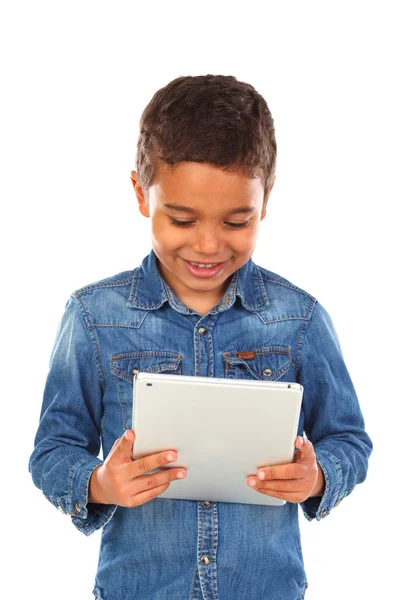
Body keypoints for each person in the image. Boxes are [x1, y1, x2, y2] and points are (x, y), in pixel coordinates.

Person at [29, 74, 372, 600]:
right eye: (182, 219)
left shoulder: (298, 318)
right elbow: (54, 449)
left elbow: (349, 439)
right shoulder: (94, 317)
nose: (208, 246)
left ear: (265, 200)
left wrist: (319, 476)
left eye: (237, 221)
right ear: (142, 194)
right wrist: (99, 484)